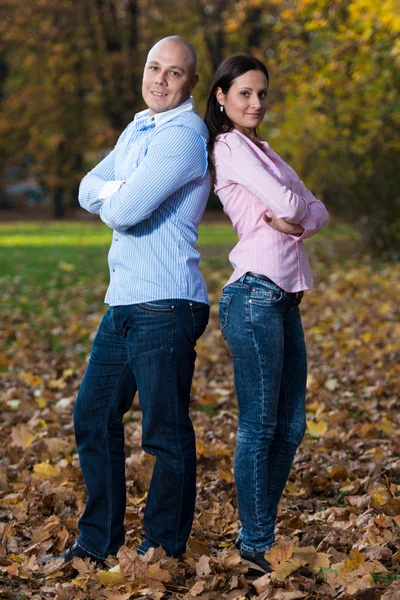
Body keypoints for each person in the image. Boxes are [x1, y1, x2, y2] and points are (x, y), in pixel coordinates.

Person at [43, 36, 210, 566]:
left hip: (167, 302)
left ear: (191, 83)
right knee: (92, 415)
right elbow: (86, 186)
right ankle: (98, 543)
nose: (160, 79)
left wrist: (120, 193)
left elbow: (124, 211)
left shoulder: (185, 135)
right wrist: (119, 191)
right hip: (125, 302)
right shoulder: (139, 128)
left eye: (174, 73)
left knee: (164, 434)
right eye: (154, 68)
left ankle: (162, 550)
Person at [204, 55, 329, 577]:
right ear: (221, 97)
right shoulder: (229, 145)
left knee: (292, 424)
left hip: (283, 297)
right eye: (245, 94)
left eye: (261, 94)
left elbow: (314, 209)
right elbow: (291, 202)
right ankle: (256, 542)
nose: (256, 103)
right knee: (261, 424)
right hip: (253, 294)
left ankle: (258, 531)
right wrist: (295, 209)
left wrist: (296, 216)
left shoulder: (263, 150)